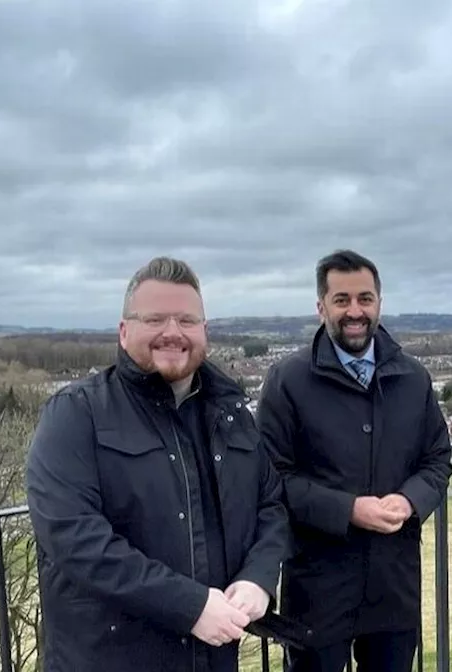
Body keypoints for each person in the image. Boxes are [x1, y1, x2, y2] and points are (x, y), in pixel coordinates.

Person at [25, 256, 291, 672]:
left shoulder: (231, 414)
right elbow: (74, 538)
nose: (173, 332)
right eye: (155, 320)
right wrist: (191, 607)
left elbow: (270, 504)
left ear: (205, 331)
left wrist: (259, 578)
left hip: (214, 658)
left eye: (187, 320)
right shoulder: (77, 413)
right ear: (124, 330)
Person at [255, 249, 452, 672]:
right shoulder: (287, 380)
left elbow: (437, 459)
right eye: (341, 300)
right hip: (317, 587)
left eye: (365, 298)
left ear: (379, 303)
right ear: (321, 306)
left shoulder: (413, 378)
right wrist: (349, 511)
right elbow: (272, 479)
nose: (355, 311)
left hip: (394, 584)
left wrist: (411, 500)